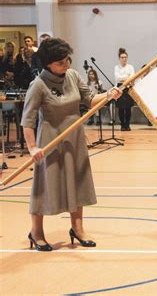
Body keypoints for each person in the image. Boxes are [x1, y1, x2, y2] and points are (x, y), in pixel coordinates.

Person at [21, 38, 122, 251]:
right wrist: (32, 147)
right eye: (59, 62)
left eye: (67, 59)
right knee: (44, 186)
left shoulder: (74, 76)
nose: (65, 64)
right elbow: (27, 120)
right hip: (49, 141)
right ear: (48, 63)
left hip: (74, 138)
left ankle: (78, 228)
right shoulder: (38, 85)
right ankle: (36, 232)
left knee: (78, 181)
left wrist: (109, 95)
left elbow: (90, 99)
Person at [114, 47, 135, 131]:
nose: (124, 59)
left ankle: (127, 124)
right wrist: (127, 78)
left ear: (127, 58)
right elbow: (117, 78)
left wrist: (126, 79)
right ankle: (122, 124)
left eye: (125, 57)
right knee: (121, 108)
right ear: (119, 58)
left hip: (128, 88)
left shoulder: (130, 67)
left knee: (128, 108)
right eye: (122, 57)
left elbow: (132, 77)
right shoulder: (116, 67)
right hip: (120, 88)